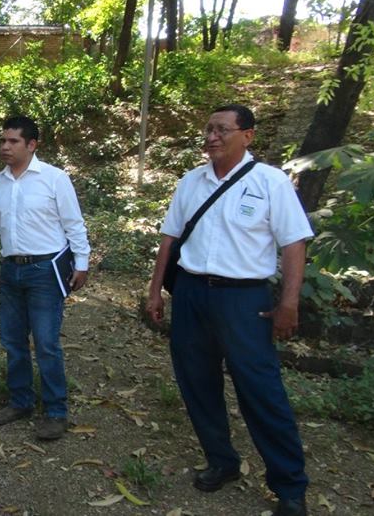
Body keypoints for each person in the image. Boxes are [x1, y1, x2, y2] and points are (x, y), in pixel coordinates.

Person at [145, 104, 311, 516]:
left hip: (243, 300)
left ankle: (289, 486)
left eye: (222, 129)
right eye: (208, 129)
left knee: (260, 390)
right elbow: (170, 238)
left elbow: (293, 243)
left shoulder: (271, 183)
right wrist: (155, 291)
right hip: (191, 293)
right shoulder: (191, 181)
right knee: (197, 383)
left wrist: (288, 302)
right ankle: (222, 461)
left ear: (247, 135)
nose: (212, 137)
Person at [0, 115, 91, 441]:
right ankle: (20, 401)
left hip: (45, 271)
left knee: (46, 344)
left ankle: (56, 411)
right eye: (2, 141)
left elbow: (73, 223)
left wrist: (82, 262)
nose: (5, 147)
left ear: (32, 145)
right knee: (13, 341)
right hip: (11, 271)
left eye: (13, 141)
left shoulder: (54, 179)